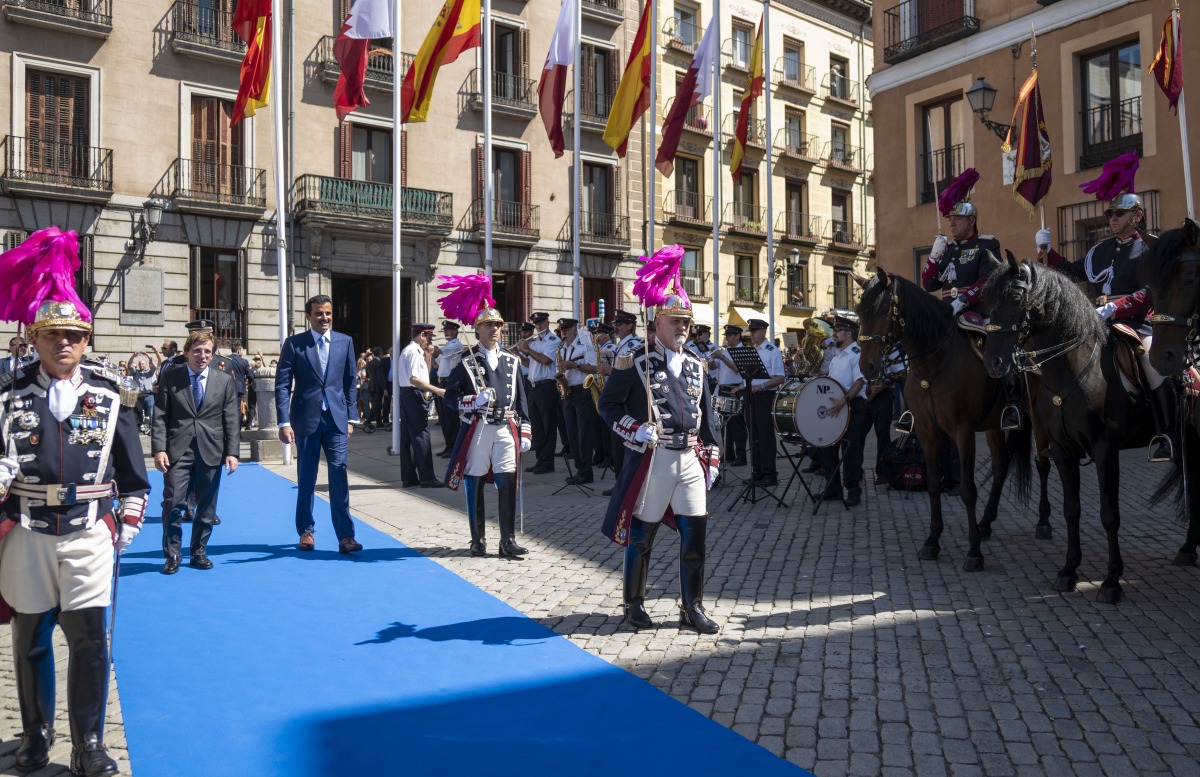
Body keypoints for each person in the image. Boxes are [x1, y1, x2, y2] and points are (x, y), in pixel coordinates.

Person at [1, 296, 149, 777]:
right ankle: (35, 734)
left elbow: (132, 469)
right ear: (36, 338)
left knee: (90, 641)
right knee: (30, 637)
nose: (63, 343)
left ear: (86, 341)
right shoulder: (8, 393)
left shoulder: (111, 393)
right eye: (53, 335)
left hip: (88, 528)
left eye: (74, 336)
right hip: (28, 528)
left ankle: (88, 743)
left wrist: (128, 519)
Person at [599, 295, 721, 634]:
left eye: (686, 321)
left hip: (690, 458)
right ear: (657, 324)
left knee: (695, 535)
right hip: (655, 458)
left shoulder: (697, 362)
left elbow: (707, 418)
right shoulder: (635, 361)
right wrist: (635, 428)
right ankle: (633, 602)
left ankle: (692, 606)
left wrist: (712, 453)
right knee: (642, 536)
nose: (682, 326)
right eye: (674, 320)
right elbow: (608, 407)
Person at [1036, 192, 1172, 461]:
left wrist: (1115, 307)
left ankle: (1166, 433)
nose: (1112, 218)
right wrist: (1047, 251)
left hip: (1137, 323)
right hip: (1097, 321)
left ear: (1138, 216)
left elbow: (1150, 293)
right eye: (1110, 214)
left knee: (1152, 363)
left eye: (1118, 214)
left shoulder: (1150, 249)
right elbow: (1070, 272)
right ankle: (1066, 432)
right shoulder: (1100, 250)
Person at [916, 178, 1018, 431]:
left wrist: (962, 300)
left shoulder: (986, 245)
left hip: (976, 312)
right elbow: (929, 285)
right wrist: (934, 255)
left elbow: (988, 281)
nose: (952, 223)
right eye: (950, 220)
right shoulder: (948, 250)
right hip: (946, 314)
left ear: (971, 221)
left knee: (997, 351)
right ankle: (919, 405)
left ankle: (1011, 402)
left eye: (957, 219)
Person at [274, 294, 362, 553]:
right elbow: (282, 385)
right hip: (305, 420)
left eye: (327, 313)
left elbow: (349, 381)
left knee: (339, 472)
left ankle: (346, 536)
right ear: (308, 316)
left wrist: (350, 417)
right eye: (318, 314)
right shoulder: (294, 344)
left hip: (336, 420)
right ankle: (306, 531)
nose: (324, 318)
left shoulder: (345, 342)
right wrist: (283, 422)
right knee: (306, 477)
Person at [442, 306, 532, 558]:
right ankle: (477, 540)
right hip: (479, 427)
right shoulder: (466, 360)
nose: (494, 329)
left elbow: (522, 402)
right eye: (488, 325)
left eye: (498, 325)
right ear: (477, 329)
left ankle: (507, 540)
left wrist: (525, 432)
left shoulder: (512, 361)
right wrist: (473, 400)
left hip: (505, 426)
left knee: (507, 481)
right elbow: (449, 398)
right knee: (475, 481)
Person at [152, 329, 240, 573]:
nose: (202, 355)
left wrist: (232, 452)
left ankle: (198, 552)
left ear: (213, 355)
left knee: (207, 507)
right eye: (197, 351)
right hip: (176, 451)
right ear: (187, 353)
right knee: (173, 503)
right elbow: (159, 416)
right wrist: (159, 449)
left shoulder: (224, 381)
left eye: (207, 351)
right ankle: (172, 555)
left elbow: (231, 419)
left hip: (211, 450)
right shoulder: (171, 376)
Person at [817, 316, 869, 507]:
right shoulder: (838, 355)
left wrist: (844, 399)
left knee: (851, 452)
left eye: (837, 331)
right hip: (835, 407)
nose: (834, 334)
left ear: (848, 333)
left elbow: (860, 381)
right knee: (827, 448)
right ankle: (833, 488)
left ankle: (853, 491)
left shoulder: (856, 353)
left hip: (853, 407)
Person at [394, 323, 444, 487]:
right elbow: (415, 380)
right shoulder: (413, 352)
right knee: (422, 436)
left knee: (408, 437)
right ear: (422, 334)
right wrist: (437, 390)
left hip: (409, 394)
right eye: (429, 337)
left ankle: (409, 478)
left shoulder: (413, 351)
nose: (430, 342)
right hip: (413, 394)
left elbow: (424, 375)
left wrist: (428, 357)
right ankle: (427, 477)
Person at [518, 312, 561, 474]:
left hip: (547, 386)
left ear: (547, 322)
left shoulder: (553, 340)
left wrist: (527, 350)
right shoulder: (534, 342)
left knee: (548, 425)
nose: (539, 327)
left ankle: (548, 462)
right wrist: (518, 353)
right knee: (537, 426)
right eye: (536, 324)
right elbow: (531, 364)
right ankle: (540, 459)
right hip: (534, 386)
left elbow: (545, 360)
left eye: (541, 323)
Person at [556, 318, 598, 485]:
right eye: (561, 330)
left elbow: (595, 368)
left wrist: (575, 366)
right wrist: (560, 381)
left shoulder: (585, 346)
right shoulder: (561, 349)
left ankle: (586, 471)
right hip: (568, 392)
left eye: (566, 329)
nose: (563, 333)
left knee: (584, 433)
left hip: (583, 391)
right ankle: (579, 468)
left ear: (574, 329)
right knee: (572, 433)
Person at [746, 319, 785, 486]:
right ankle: (758, 472)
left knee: (765, 437)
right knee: (753, 436)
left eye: (755, 331)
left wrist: (761, 386)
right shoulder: (752, 351)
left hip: (765, 397)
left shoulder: (772, 351)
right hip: (752, 396)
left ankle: (770, 474)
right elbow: (750, 376)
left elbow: (780, 377)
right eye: (751, 331)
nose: (752, 334)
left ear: (763, 331)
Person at [712, 324, 748, 465]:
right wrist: (712, 358)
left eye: (729, 336)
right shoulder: (724, 351)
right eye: (726, 336)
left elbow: (736, 369)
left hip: (735, 390)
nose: (727, 339)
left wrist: (721, 357)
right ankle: (728, 454)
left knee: (737, 424)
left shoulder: (743, 351)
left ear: (737, 336)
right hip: (722, 389)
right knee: (724, 424)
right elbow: (713, 367)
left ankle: (741, 456)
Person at [434, 320, 465, 457]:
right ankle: (449, 446)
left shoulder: (455, 345)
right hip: (441, 382)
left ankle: (455, 447)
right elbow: (436, 364)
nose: (446, 333)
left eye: (449, 330)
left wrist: (425, 345)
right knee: (444, 418)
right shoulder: (447, 346)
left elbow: (436, 351)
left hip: (450, 383)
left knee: (451, 418)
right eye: (445, 331)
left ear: (456, 331)